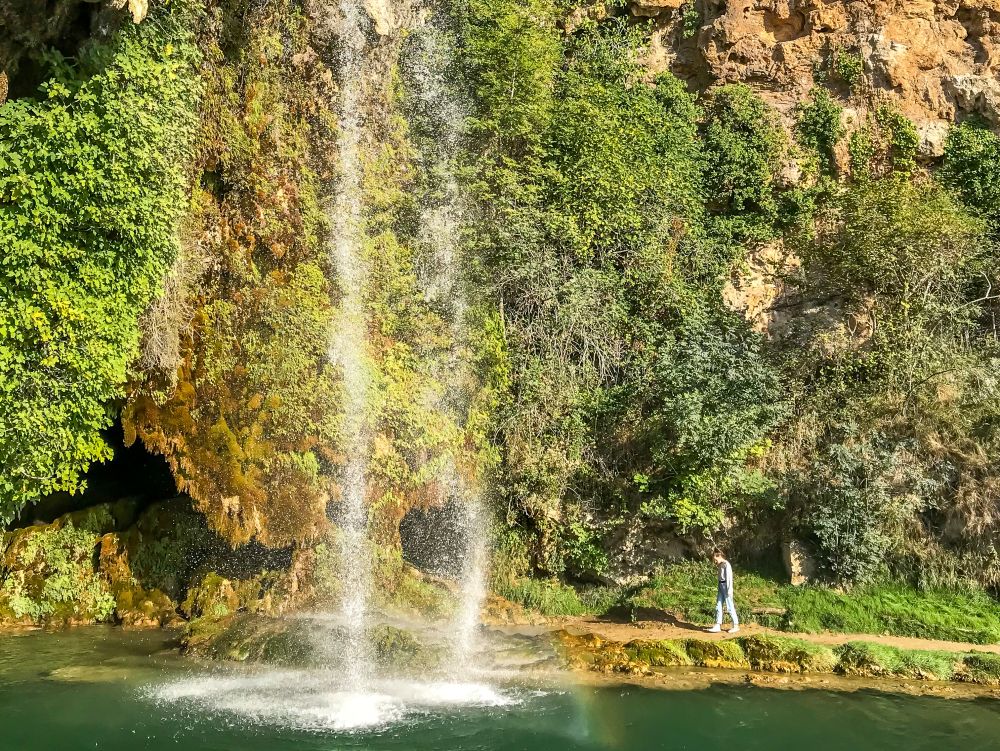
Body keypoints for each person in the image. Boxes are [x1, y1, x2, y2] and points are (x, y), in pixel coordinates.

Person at [707, 548, 739, 634]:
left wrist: (729, 590)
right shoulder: (720, 565)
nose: (714, 561)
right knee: (718, 605)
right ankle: (717, 625)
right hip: (720, 585)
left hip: (726, 587)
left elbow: (728, 578)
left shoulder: (726, 564)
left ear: (719, 556)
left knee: (729, 606)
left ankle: (735, 625)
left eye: (715, 559)